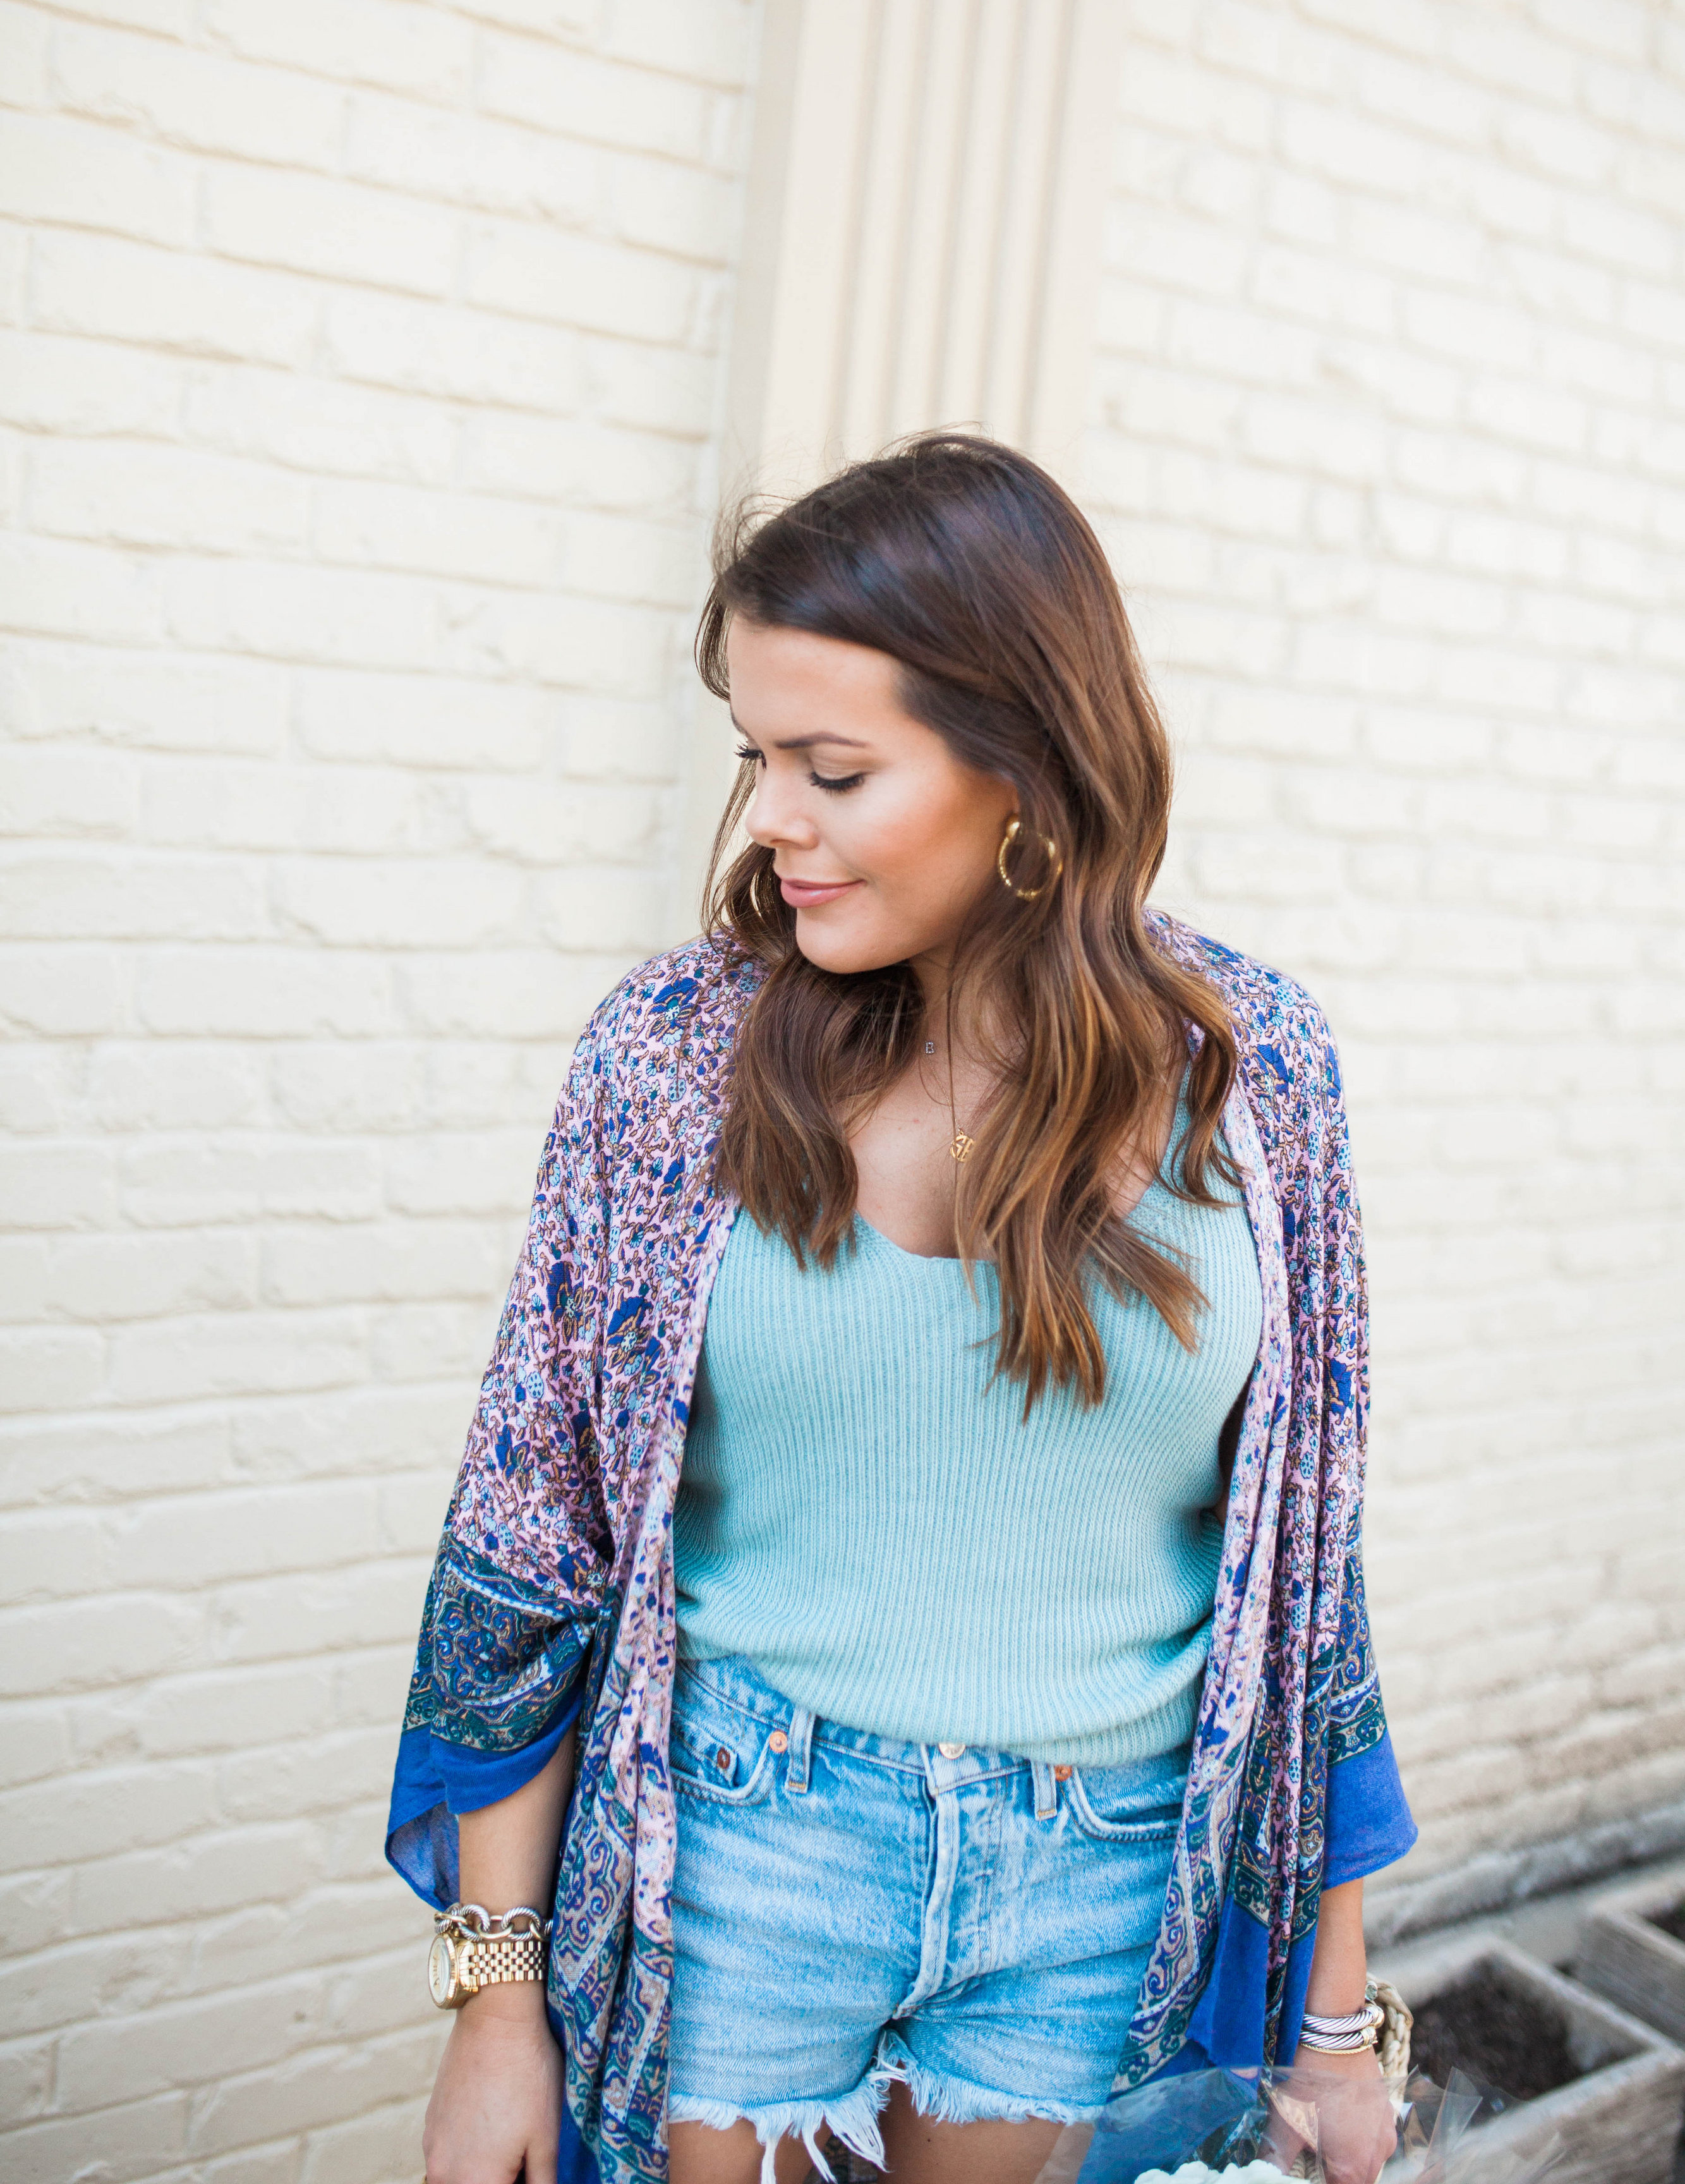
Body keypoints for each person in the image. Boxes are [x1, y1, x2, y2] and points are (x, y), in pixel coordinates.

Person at [388, 437, 1415, 2184]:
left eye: (834, 769)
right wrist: (497, 2004)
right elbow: (526, 1540)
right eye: (758, 760)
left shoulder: (1258, 1074)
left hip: (1102, 1860)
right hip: (746, 1840)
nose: (772, 818)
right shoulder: (668, 1060)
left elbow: (1299, 1582)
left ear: (1023, 767)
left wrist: (1331, 2026)